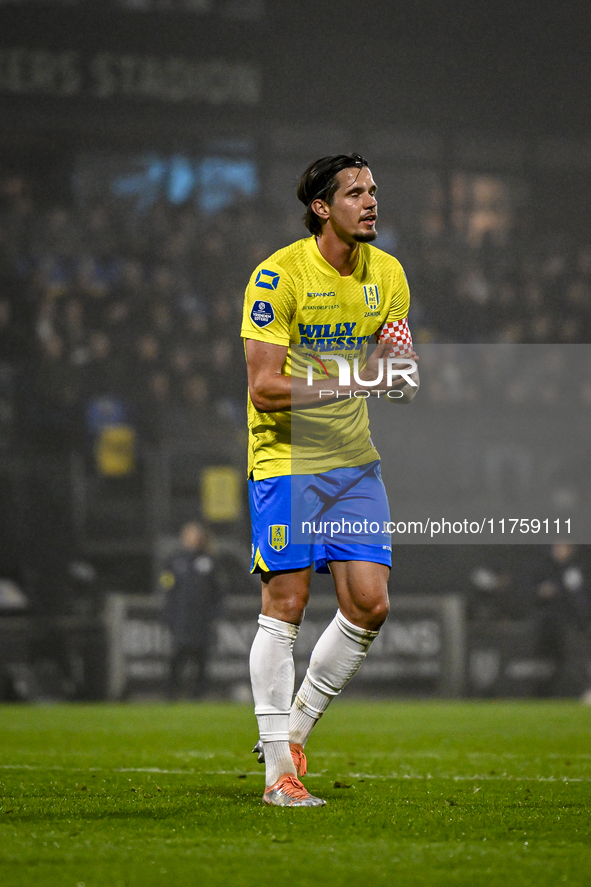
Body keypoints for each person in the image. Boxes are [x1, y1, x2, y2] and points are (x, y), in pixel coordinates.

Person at [240, 154, 420, 806]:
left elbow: (395, 368)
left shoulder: (388, 275)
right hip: (286, 460)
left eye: (373, 190)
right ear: (321, 206)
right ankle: (277, 776)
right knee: (285, 603)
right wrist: (356, 378)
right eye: (354, 193)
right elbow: (263, 388)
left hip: (352, 463)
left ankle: (292, 730)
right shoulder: (277, 276)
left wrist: (396, 370)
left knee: (369, 603)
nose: (370, 201)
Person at [159, 521, 219, 699]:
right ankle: (171, 693)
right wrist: (168, 614)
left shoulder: (209, 560)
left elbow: (218, 590)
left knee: (201, 657)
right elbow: (167, 588)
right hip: (181, 618)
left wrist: (215, 614)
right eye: (190, 534)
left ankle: (198, 694)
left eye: (196, 535)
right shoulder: (174, 559)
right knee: (177, 655)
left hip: (202, 619)